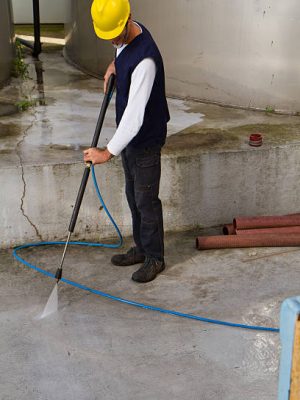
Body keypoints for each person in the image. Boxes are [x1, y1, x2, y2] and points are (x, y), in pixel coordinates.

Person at [84, 0, 170, 283]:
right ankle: (141, 248)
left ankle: (155, 258)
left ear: (128, 19)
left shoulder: (145, 61)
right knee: (133, 196)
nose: (112, 39)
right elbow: (122, 50)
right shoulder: (128, 31)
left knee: (146, 201)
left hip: (145, 138)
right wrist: (114, 64)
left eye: (114, 35)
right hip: (131, 138)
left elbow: (134, 118)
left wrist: (105, 153)